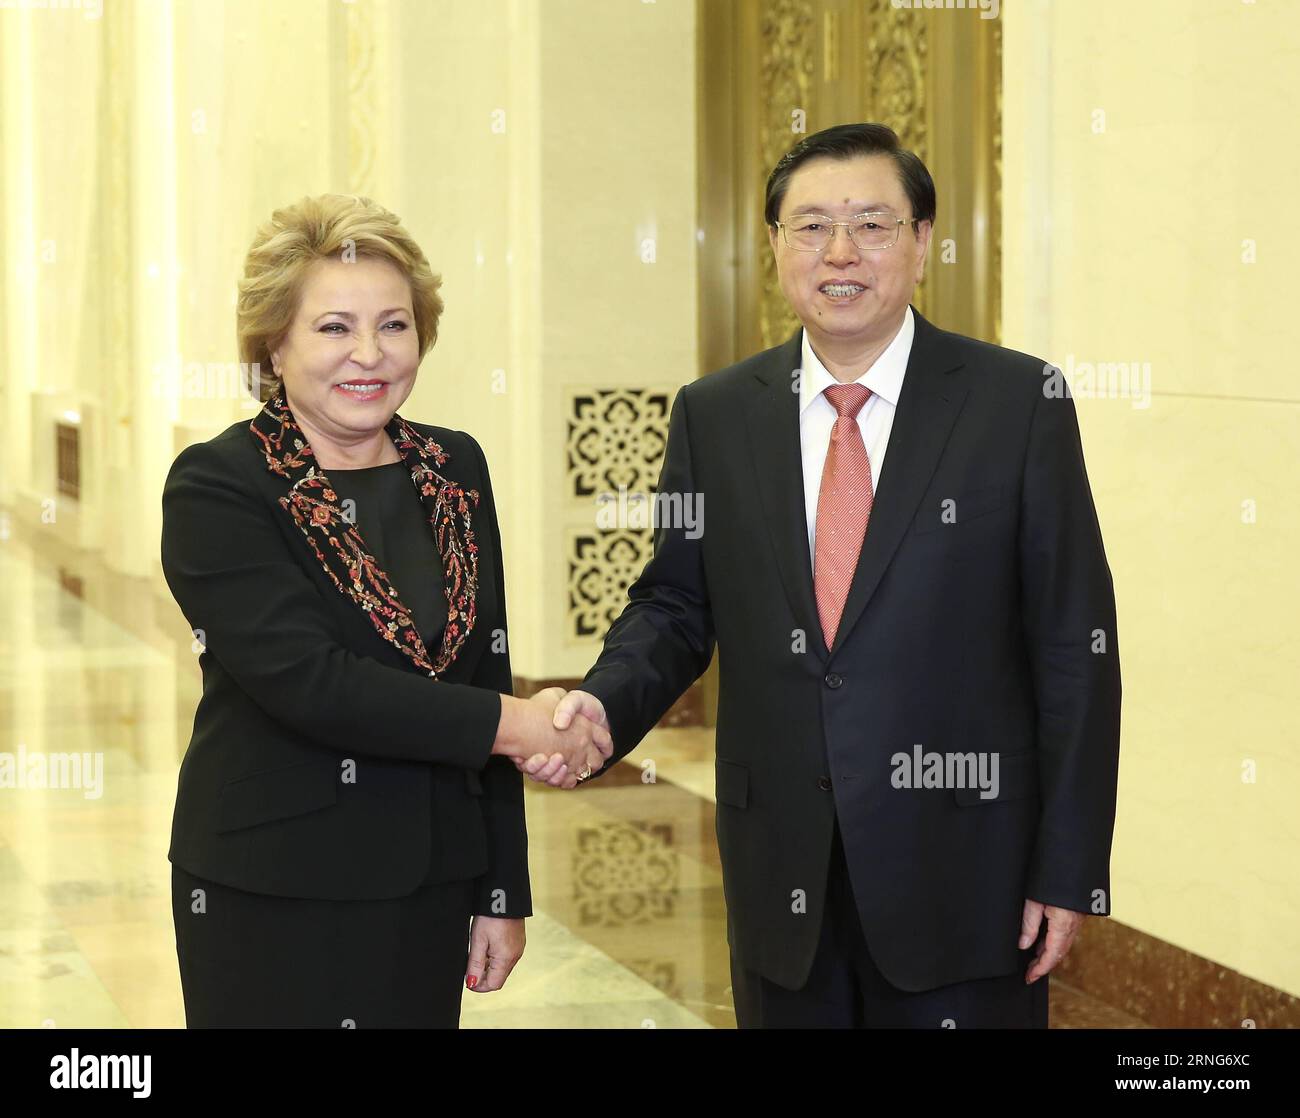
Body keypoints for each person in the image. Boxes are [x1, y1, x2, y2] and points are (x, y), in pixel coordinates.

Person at [527, 123, 1122, 1028]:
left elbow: (1075, 647)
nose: (839, 253)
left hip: (966, 876)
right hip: (782, 876)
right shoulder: (717, 414)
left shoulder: (1015, 405)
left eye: (873, 224)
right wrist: (603, 708)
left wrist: (1069, 863)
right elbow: (677, 605)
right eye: (809, 227)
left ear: (924, 242)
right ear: (773, 248)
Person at [161, 193, 610, 1028]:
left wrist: (501, 887)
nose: (369, 354)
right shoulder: (219, 485)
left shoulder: (454, 466)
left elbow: (485, 667)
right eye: (333, 327)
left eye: (394, 325)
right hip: (274, 886)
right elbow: (315, 685)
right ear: (275, 344)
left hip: (431, 884)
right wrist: (519, 726)